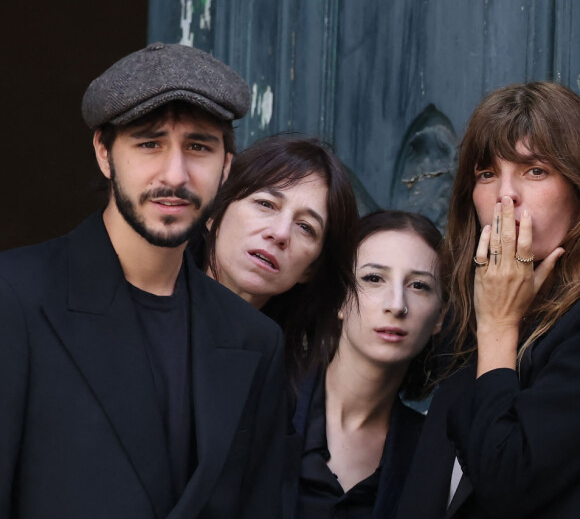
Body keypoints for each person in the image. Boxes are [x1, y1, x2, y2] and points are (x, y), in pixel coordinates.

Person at [0, 43, 286, 519]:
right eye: (149, 143)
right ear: (104, 153)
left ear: (227, 165)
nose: (175, 174)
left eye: (198, 146)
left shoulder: (254, 341)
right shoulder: (15, 297)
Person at [396, 81, 580, 519]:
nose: (504, 195)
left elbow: (508, 484)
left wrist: (498, 328)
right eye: (486, 173)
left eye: (534, 170)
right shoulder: (467, 317)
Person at [286, 210, 446, 519]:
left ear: (440, 316)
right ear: (339, 298)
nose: (397, 305)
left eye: (419, 286)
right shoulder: (271, 397)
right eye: (374, 278)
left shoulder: (434, 453)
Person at [202, 133, 359, 386]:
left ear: (312, 269)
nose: (280, 233)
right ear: (214, 215)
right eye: (266, 204)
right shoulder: (133, 318)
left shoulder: (288, 385)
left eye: (306, 227)